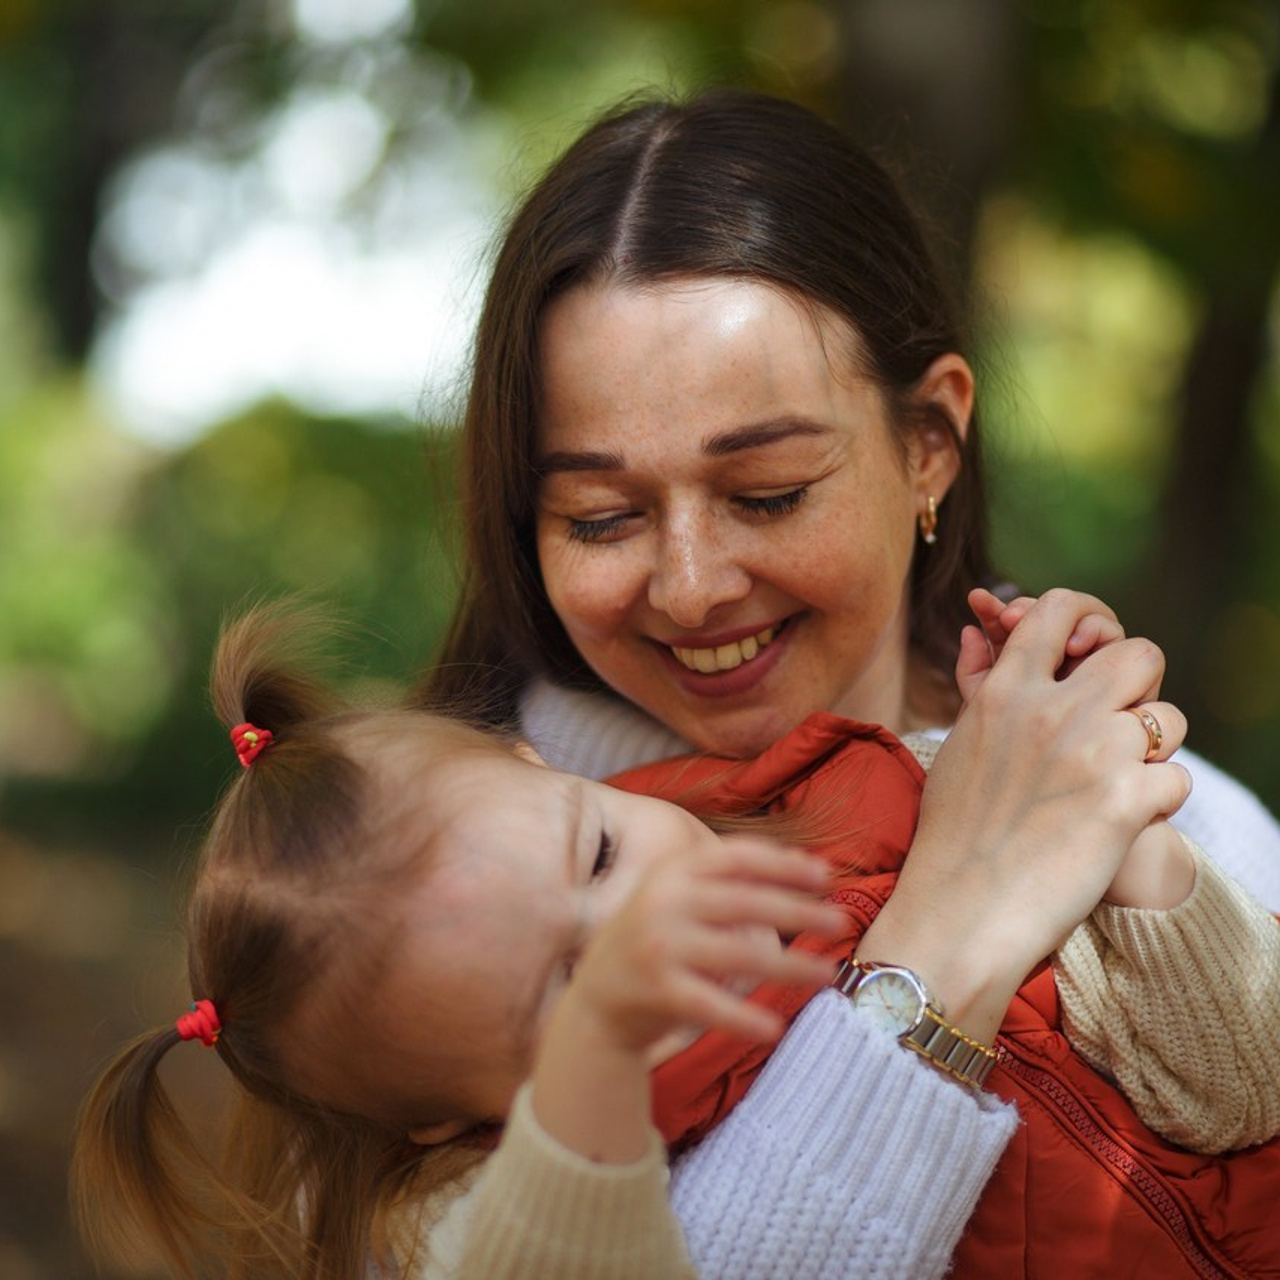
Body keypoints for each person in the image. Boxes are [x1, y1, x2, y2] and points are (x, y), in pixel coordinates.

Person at [408, 83, 1280, 1264]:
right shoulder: (426, 898)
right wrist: (947, 935)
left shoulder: (1196, 816)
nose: (689, 584)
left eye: (766, 493)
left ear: (927, 445)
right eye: (601, 516)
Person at [70, 604, 1280, 1280]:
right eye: (559, 987)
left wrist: (1116, 830)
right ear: (452, 1119)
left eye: (595, 856)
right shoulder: (499, 1213)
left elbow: (1239, 1091)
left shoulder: (871, 806)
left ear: (541, 769)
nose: (633, 928)